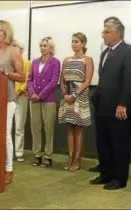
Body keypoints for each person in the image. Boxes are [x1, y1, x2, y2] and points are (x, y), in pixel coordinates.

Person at [90, 17, 131, 190]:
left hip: (119, 107)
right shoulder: (105, 52)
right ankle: (105, 174)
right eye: (103, 31)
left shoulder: (130, 52)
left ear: (117, 33)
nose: (103, 35)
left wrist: (123, 104)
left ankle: (119, 179)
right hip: (102, 105)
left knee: (120, 143)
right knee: (103, 142)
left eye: (107, 31)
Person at [0, 20, 24, 184]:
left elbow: (22, 76)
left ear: (6, 33)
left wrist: (6, 73)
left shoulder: (13, 51)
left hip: (7, 99)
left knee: (5, 134)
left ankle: (8, 169)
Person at [58, 32, 94, 171]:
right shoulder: (66, 60)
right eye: (72, 41)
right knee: (69, 127)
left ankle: (77, 159)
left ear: (83, 44)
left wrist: (74, 94)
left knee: (78, 127)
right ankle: (70, 156)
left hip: (79, 96)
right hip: (66, 96)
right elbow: (61, 79)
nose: (74, 44)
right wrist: (65, 93)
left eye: (77, 41)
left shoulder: (88, 60)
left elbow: (87, 80)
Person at [28, 37, 61, 168]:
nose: (42, 48)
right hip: (34, 99)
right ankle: (37, 154)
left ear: (51, 48)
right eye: (41, 45)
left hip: (48, 100)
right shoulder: (35, 62)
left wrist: (41, 95)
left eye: (45, 45)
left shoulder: (55, 62)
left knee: (48, 128)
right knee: (35, 127)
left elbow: (53, 82)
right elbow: (29, 79)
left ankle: (48, 155)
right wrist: (32, 93)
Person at [12, 40, 31, 162]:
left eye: (16, 47)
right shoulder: (9, 62)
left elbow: (28, 80)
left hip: (21, 97)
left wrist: (18, 92)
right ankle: (7, 151)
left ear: (21, 50)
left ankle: (19, 153)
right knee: (7, 127)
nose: (13, 49)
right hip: (7, 97)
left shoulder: (26, 62)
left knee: (19, 126)